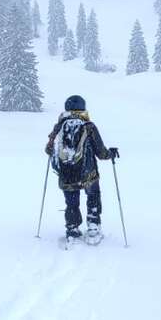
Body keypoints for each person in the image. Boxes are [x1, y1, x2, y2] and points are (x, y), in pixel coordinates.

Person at [45, 95, 118, 243]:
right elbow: (101, 153)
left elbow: (48, 150)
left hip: (66, 174)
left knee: (72, 203)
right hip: (88, 174)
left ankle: (72, 230)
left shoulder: (59, 126)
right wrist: (111, 154)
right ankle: (93, 229)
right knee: (93, 196)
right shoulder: (88, 126)